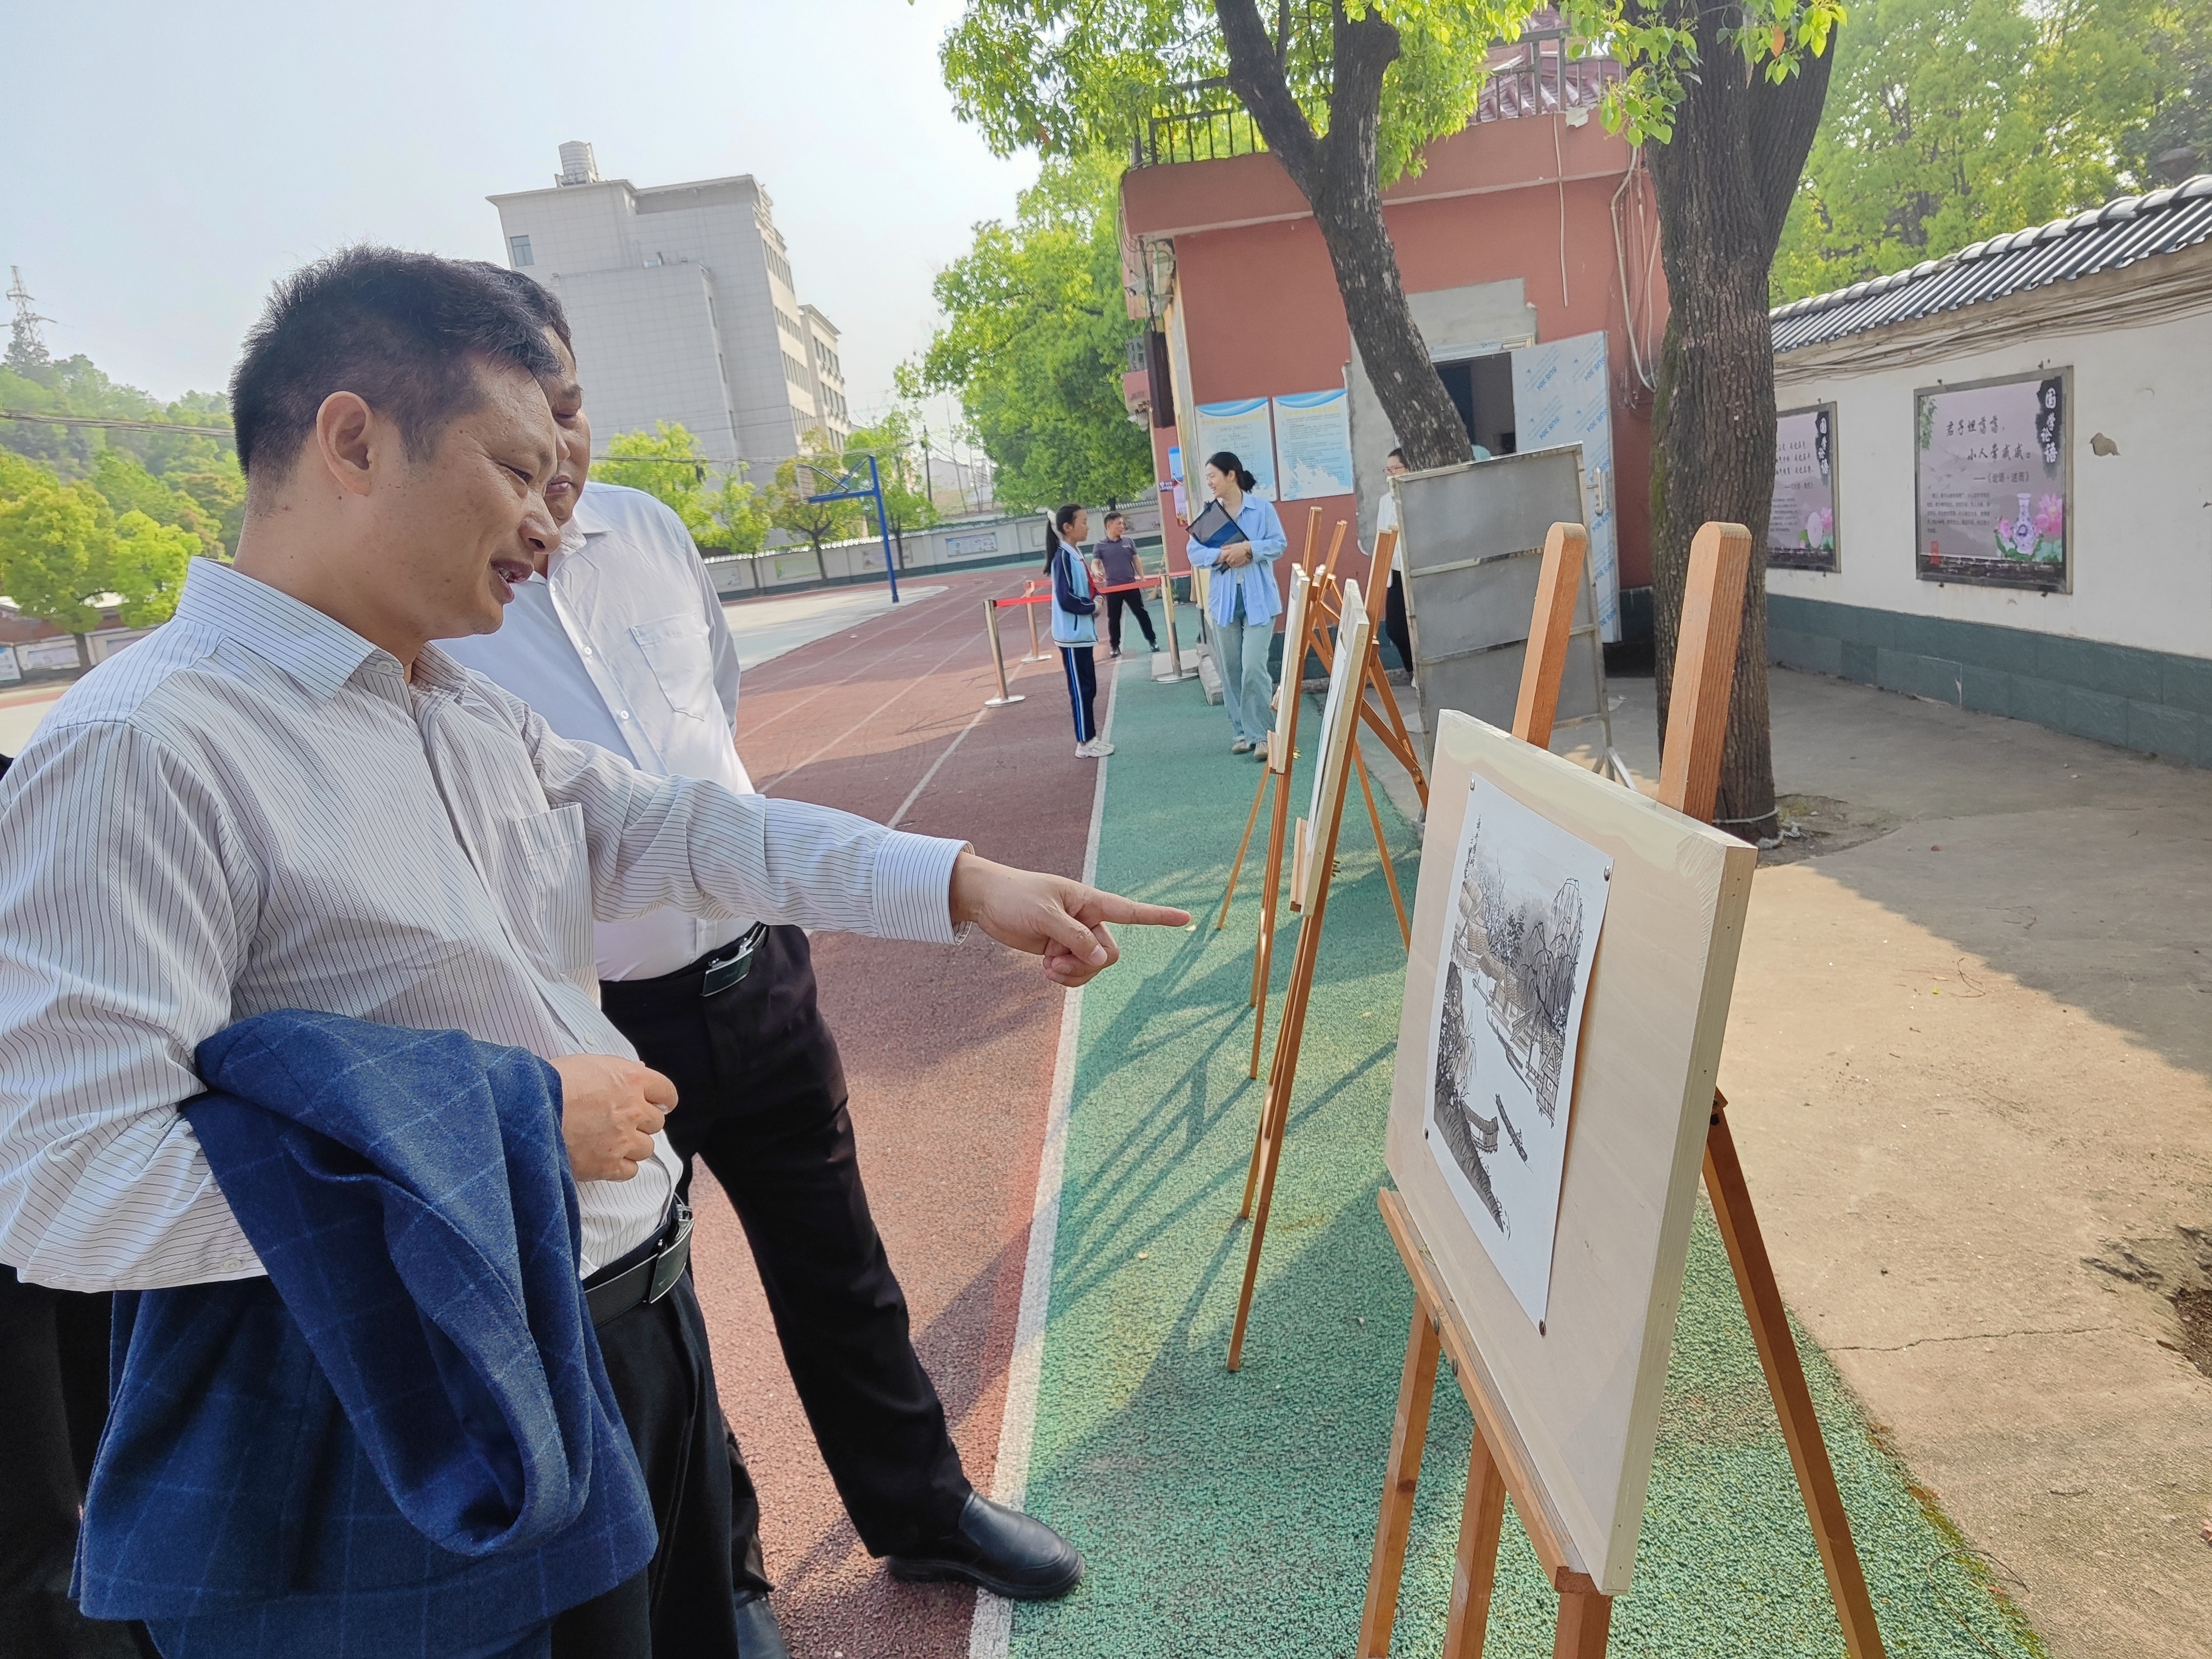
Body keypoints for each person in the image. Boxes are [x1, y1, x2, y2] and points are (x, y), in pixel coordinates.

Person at [0, 248, 1187, 1659]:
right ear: (354, 441)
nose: (548, 519)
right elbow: (66, 1182)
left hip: (626, 1327)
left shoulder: (446, 704)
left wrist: (960, 881)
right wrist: (505, 1126)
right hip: (437, 1413)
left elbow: (679, 827)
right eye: (514, 466)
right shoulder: (147, 751)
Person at [442, 276, 1092, 1654]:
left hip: (757, 976)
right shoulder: (446, 608)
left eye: (569, 407)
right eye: (521, 429)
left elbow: (707, 756)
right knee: (657, 1304)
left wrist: (957, 885)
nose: (559, 451)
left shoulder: (654, 534)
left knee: (841, 1269)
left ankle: (922, 1505)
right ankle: (731, 1569)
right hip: (593, 1027)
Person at [1184, 452, 1286, 758]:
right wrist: (1222, 555)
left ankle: (1264, 735)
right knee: (1231, 670)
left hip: (1260, 601)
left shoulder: (1262, 509)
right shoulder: (1210, 516)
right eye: (1208, 479)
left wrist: (1249, 549)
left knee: (1253, 667)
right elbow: (1193, 552)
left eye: (1213, 476)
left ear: (1232, 475)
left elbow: (1279, 544)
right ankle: (1242, 732)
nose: (1210, 483)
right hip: (1224, 602)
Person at [1045, 503, 1113, 758]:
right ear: (1068, 527)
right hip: (1071, 636)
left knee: (1089, 687)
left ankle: (1090, 738)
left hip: (1082, 634)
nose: (1087, 526)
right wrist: (1092, 606)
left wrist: (1098, 599)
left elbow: (1086, 585)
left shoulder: (1075, 553)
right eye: (1083, 522)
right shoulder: (1062, 556)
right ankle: (1084, 742)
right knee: (1080, 689)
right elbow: (1067, 598)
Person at [1089, 511, 1157, 658]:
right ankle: (1114, 647)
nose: (1122, 526)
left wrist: (1142, 577)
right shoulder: (1100, 546)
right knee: (1114, 619)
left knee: (1142, 614)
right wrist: (1096, 572)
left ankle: (1152, 641)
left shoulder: (1128, 542)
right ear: (1109, 525)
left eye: (1122, 523)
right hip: (1113, 589)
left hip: (1131, 586)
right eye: (1119, 523)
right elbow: (1095, 563)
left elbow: (1136, 560)